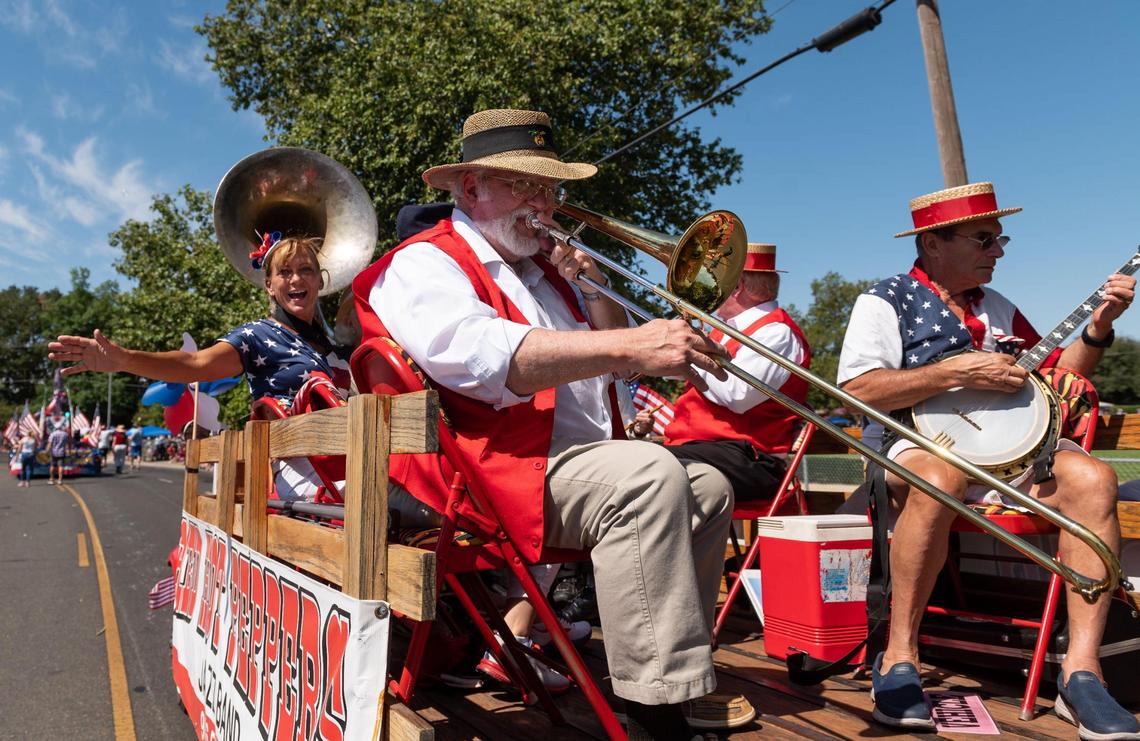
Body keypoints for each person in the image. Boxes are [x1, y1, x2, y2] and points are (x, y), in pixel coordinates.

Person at [353, 108, 753, 737]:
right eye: (524, 184)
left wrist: (595, 294)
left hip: (568, 465)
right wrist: (631, 347)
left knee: (707, 486)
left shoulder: (544, 274)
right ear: (471, 188)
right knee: (651, 477)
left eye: (550, 187)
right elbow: (485, 359)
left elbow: (615, 375)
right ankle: (653, 714)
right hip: (490, 475)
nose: (543, 202)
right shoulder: (424, 262)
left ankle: (674, 681)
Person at [837, 182, 1138, 738]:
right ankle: (897, 657)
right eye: (984, 239)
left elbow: (1060, 379)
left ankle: (1082, 674)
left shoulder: (998, 308)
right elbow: (857, 389)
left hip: (1010, 460)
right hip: (917, 450)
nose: (998, 250)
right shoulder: (884, 300)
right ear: (932, 243)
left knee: (1095, 478)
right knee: (937, 475)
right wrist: (954, 372)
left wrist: (1099, 325)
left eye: (1000, 239)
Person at [48, 236, 352, 499]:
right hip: (304, 467)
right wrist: (126, 359)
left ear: (320, 281)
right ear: (269, 286)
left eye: (305, 270)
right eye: (284, 272)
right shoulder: (258, 335)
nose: (296, 279)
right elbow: (195, 363)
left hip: (348, 455)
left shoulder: (337, 346)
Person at [631, 243, 811, 503]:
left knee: (641, 467)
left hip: (751, 457)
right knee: (624, 459)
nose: (707, 289)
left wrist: (684, 358)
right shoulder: (726, 329)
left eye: (714, 280)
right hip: (713, 450)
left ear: (736, 286)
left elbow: (738, 395)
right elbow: (697, 376)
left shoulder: (777, 332)